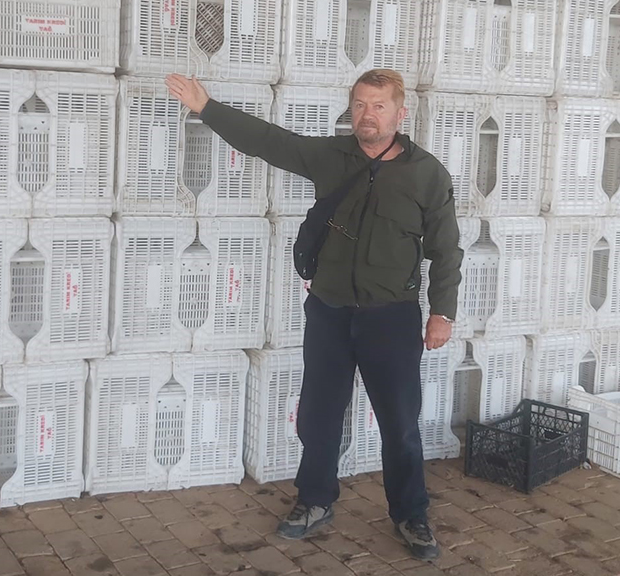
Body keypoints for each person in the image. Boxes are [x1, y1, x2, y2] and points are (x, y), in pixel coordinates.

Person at [165, 69, 463, 562]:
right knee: (319, 415)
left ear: (401, 112)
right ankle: (315, 500)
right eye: (360, 105)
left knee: (400, 423)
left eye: (379, 106)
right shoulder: (332, 157)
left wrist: (443, 313)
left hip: (391, 318)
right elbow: (270, 142)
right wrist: (207, 108)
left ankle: (411, 515)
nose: (367, 115)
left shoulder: (426, 173)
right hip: (329, 312)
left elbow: (446, 249)